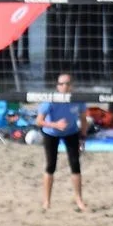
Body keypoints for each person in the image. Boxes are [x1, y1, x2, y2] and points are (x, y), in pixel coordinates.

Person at [37, 72, 87, 212]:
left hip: (71, 132)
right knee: (50, 165)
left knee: (75, 165)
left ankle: (79, 200)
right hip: (51, 132)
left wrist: (83, 137)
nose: (64, 86)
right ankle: (47, 202)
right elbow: (39, 121)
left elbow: (83, 120)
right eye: (61, 84)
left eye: (67, 84)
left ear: (72, 86)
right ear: (57, 86)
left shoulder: (78, 99)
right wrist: (55, 125)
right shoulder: (50, 100)